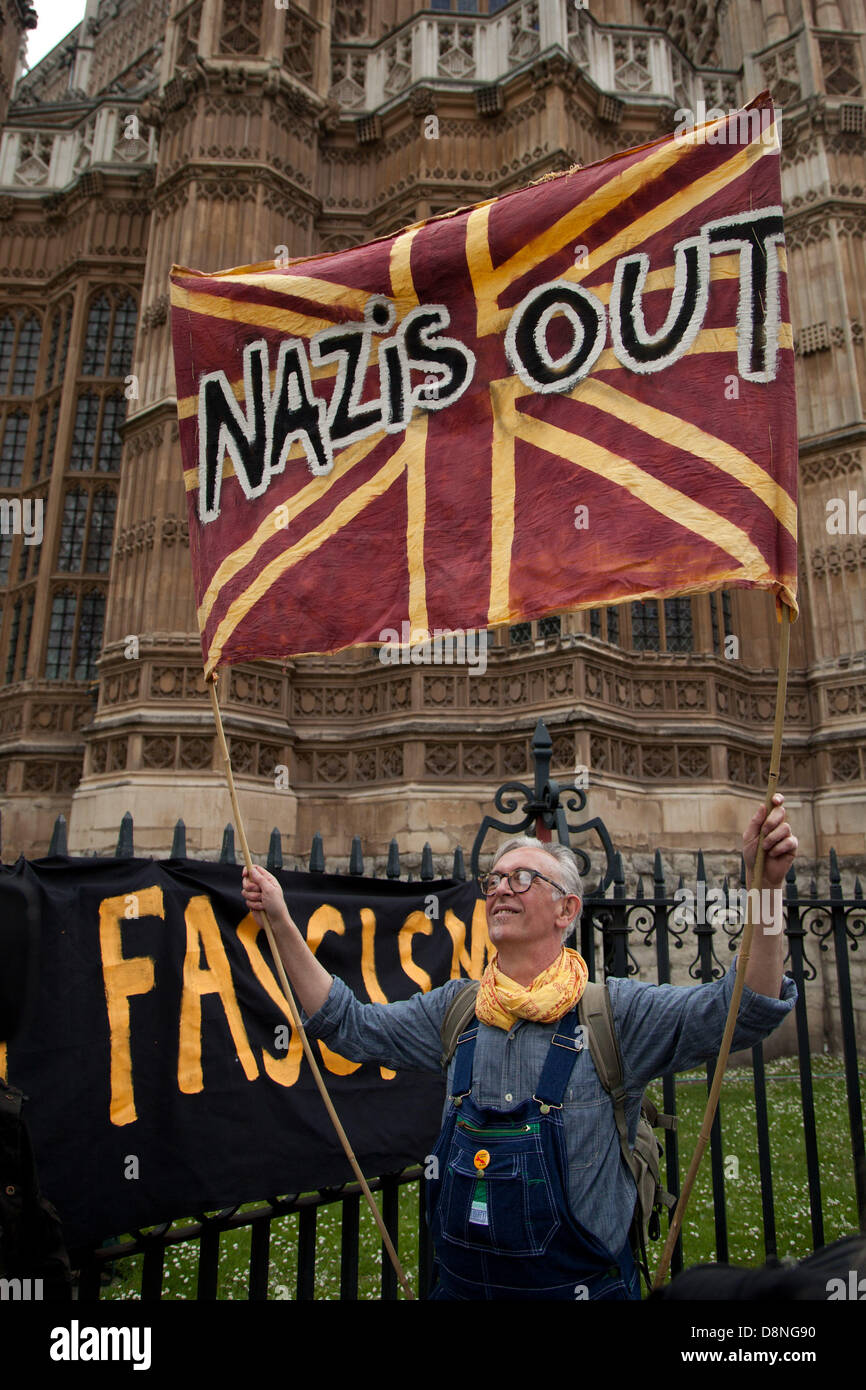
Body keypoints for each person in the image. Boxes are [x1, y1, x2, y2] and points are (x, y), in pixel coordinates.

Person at [241, 794, 798, 1301]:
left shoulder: (615, 1016)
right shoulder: (456, 1010)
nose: (500, 888)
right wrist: (281, 920)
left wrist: (765, 889)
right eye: (494, 880)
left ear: (567, 910)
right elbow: (349, 1026)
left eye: (523, 878)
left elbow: (742, 1011)